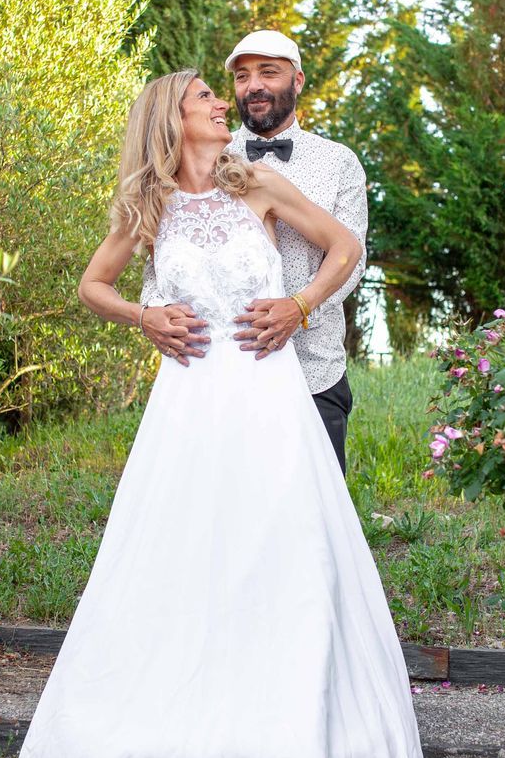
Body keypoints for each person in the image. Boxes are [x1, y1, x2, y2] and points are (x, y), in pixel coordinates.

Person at [8, 70, 427, 758]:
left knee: (273, 560)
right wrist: (146, 317)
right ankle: (190, 748)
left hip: (269, 402)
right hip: (189, 410)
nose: (219, 103)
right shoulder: (148, 207)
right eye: (204, 96)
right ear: (173, 118)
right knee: (187, 562)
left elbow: (344, 247)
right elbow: (90, 286)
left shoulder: (259, 185)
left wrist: (299, 306)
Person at [141, 30, 366, 473]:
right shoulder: (204, 152)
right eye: (242, 77)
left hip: (315, 370)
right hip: (220, 379)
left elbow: (350, 257)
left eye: (269, 72)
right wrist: (150, 313)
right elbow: (164, 261)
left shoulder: (339, 162)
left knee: (312, 523)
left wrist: (298, 309)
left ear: (298, 80)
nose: (254, 86)